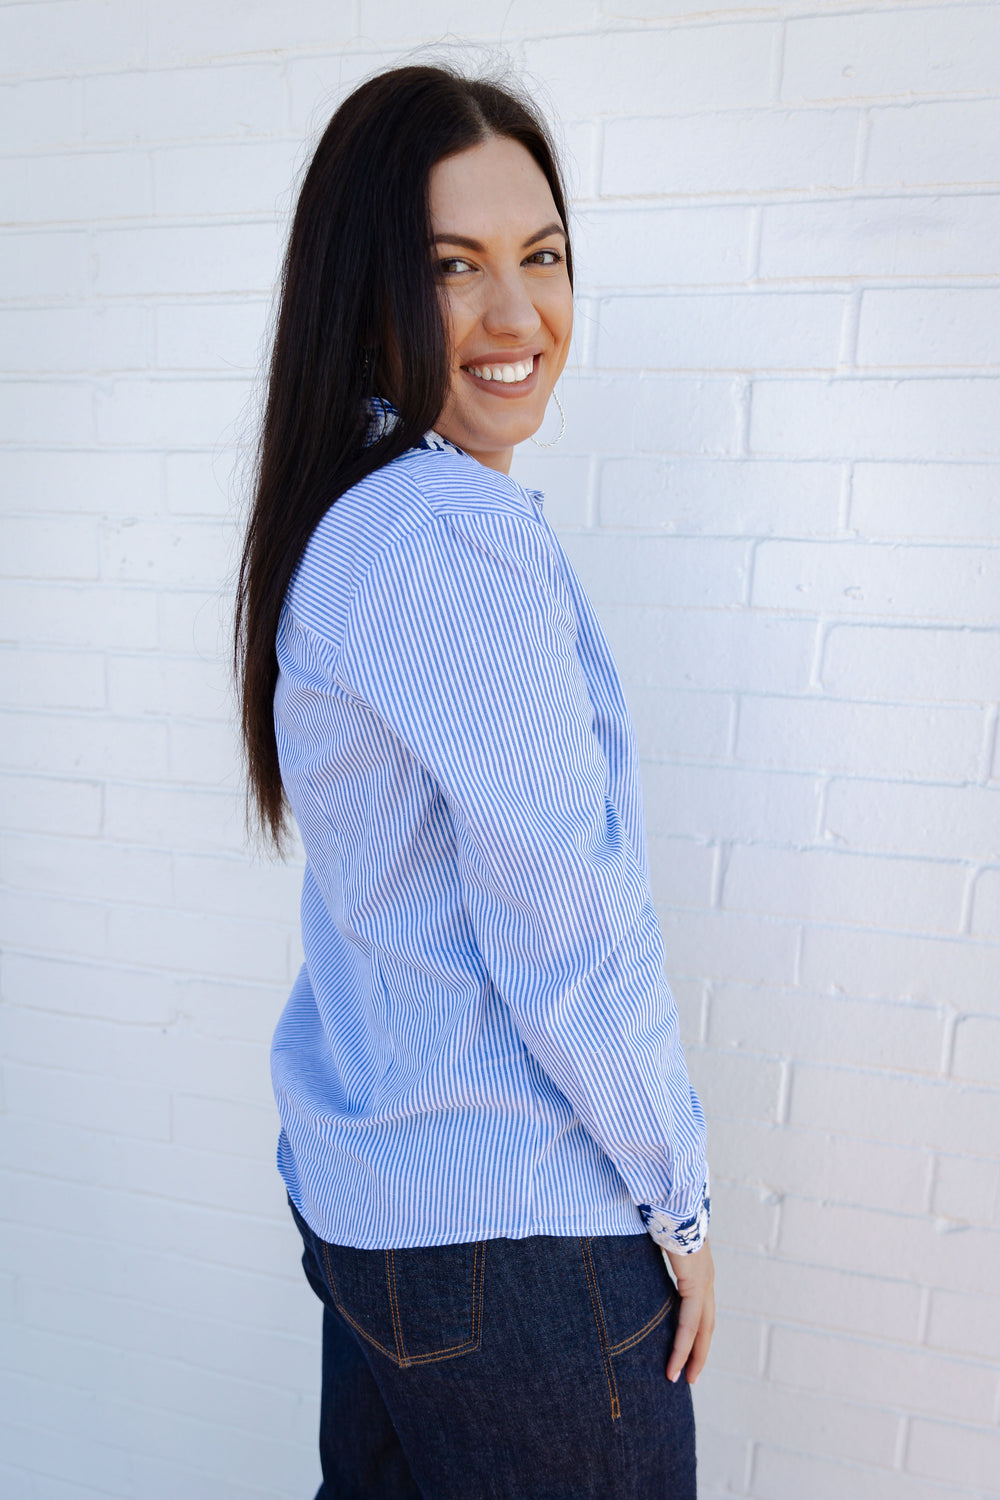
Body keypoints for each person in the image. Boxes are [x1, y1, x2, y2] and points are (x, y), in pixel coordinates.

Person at [235, 62, 714, 1500]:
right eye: (455, 271)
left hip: (383, 1219)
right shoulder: (449, 539)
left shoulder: (351, 518)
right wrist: (679, 1205)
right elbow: (564, 926)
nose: (520, 320)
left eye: (543, 257)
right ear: (369, 286)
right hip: (523, 1251)